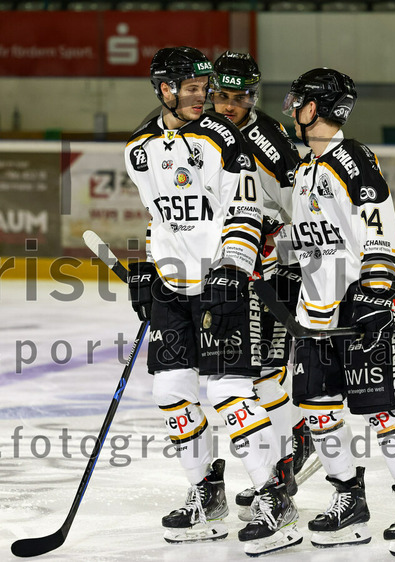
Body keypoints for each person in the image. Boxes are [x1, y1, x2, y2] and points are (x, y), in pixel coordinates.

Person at [123, 46, 302, 556]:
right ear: (165, 90)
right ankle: (206, 493)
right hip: (172, 287)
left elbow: (244, 210)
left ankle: (274, 498)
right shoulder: (138, 148)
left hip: (222, 282)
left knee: (228, 391)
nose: (203, 97)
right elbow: (161, 217)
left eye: (206, 88)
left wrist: (234, 268)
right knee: (170, 390)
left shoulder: (224, 139)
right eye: (193, 89)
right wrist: (149, 269)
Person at [282, 67, 395, 557]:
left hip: (361, 303)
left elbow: (379, 227)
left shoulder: (351, 158)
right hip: (317, 310)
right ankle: (349, 502)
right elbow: (311, 242)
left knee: (383, 410)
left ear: (315, 108)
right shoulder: (305, 169)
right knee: (317, 409)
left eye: (299, 101)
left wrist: (375, 293)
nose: (293, 109)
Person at [210, 50, 320, 520]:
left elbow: (303, 208)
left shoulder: (271, 140)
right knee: (250, 376)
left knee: (262, 375)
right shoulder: (203, 132)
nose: (230, 105)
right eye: (222, 96)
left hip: (274, 271)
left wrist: (291, 253)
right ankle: (289, 452)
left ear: (253, 97)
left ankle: (289, 455)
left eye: (240, 98)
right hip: (228, 272)